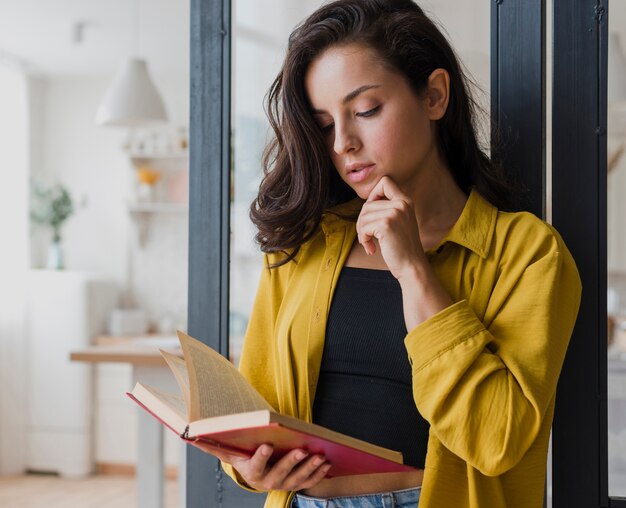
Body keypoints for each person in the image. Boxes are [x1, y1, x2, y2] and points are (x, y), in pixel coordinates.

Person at [194, 1, 582, 507]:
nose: (343, 144)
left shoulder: (527, 254)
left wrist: (414, 271)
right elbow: (259, 411)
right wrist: (248, 464)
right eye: (325, 124)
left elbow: (497, 440)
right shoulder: (304, 245)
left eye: (366, 110)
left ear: (435, 95)